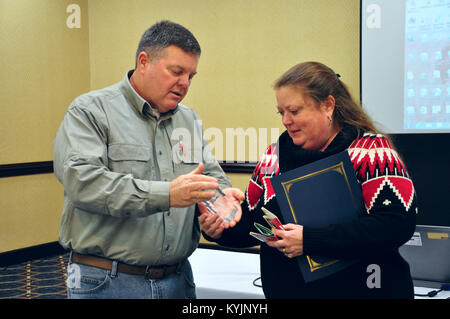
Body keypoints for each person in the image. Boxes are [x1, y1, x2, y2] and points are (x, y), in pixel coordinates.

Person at [53, 20, 243, 299]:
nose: (184, 84)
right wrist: (167, 194)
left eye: (191, 76)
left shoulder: (188, 120)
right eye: (177, 72)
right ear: (144, 62)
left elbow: (210, 177)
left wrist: (219, 205)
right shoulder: (90, 110)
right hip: (109, 283)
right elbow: (83, 183)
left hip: (178, 280)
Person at [200, 61, 418, 299]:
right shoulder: (273, 157)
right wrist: (221, 228)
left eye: (294, 111)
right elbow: (256, 227)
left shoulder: (371, 152)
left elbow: (395, 225)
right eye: (281, 112)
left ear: (328, 105)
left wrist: (311, 240)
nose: (285, 120)